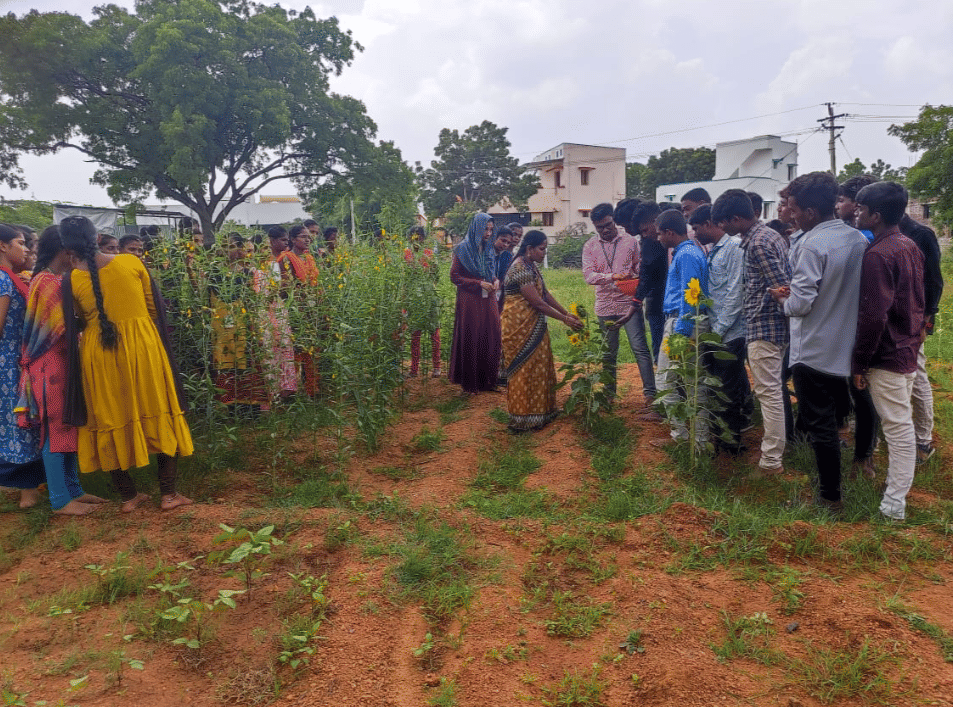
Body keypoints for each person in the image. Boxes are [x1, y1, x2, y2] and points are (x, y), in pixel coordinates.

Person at [60, 216, 194, 513]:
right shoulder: (132, 263)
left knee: (109, 416)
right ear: (97, 238)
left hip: (99, 354)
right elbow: (152, 307)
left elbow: (78, 322)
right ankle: (169, 495)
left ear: (67, 247)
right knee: (158, 408)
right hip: (143, 346)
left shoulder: (70, 279)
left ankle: (129, 497)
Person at [770, 172, 868, 513]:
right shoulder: (857, 240)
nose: (791, 214)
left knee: (821, 426)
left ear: (810, 211)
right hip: (845, 347)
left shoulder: (811, 244)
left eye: (794, 208)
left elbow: (802, 303)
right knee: (837, 419)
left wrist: (782, 299)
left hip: (811, 349)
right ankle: (837, 483)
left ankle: (830, 497)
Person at [17, 226, 107, 515]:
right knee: (55, 431)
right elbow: (60, 327)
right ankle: (59, 499)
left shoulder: (53, 279)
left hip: (61, 363)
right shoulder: (46, 282)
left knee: (68, 428)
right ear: (65, 250)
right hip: (49, 365)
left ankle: (74, 490)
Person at [852, 182, 925, 522]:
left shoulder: (878, 254)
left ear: (875, 215)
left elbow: (873, 316)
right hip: (906, 348)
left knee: (898, 429)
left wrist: (860, 362)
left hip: (888, 355)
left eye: (860, 208)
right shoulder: (908, 245)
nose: (855, 213)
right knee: (899, 426)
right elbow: (918, 302)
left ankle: (894, 506)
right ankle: (894, 496)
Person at [712, 189, 791, 474]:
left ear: (735, 218)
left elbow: (783, 289)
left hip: (765, 327)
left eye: (723, 224)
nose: (723, 230)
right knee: (771, 393)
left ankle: (771, 461)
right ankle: (774, 455)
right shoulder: (767, 236)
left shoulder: (758, 243)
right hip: (767, 326)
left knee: (768, 395)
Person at [501, 230, 582, 431]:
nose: (544, 253)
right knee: (524, 369)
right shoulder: (519, 268)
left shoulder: (531, 267)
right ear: (529, 249)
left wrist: (566, 313)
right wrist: (564, 319)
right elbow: (537, 302)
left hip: (533, 325)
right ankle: (523, 418)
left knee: (540, 364)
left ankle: (543, 411)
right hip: (518, 328)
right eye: (542, 249)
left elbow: (544, 294)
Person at [689, 205, 750, 454]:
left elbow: (736, 292)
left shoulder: (734, 249)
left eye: (696, 228)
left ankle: (731, 444)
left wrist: (720, 330)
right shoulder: (716, 250)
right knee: (718, 388)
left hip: (730, 333)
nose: (694, 234)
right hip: (718, 331)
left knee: (727, 390)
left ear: (708, 224)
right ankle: (722, 439)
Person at [582, 202, 655, 405]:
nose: (605, 230)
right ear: (595, 227)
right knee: (608, 353)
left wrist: (631, 276)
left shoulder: (631, 241)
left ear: (613, 220)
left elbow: (640, 268)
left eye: (608, 225)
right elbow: (588, 275)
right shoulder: (590, 246)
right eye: (600, 227)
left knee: (639, 348)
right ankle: (608, 394)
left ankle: (650, 395)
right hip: (604, 305)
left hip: (628, 303)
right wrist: (613, 276)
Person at [648, 210, 708, 445]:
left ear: (670, 232)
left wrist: (681, 333)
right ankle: (698, 440)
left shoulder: (686, 256)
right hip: (684, 322)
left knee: (667, 381)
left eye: (660, 234)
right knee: (693, 384)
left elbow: (691, 295)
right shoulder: (689, 252)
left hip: (682, 324)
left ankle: (683, 437)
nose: (659, 239)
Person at [0, 224, 44, 508]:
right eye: (19, 243)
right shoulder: (3, 281)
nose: (26, 248)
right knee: (19, 423)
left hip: (15, 360)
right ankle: (27, 491)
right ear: (3, 246)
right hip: (9, 365)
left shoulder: (10, 278)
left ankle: (27, 488)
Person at [899, 211, 944, 464]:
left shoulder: (920, 234)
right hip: (897, 319)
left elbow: (934, 282)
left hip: (916, 318)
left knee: (917, 374)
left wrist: (926, 321)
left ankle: (923, 440)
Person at [209, 234, 269, 414]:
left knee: (247, 363)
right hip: (221, 331)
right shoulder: (213, 275)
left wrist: (257, 330)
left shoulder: (247, 274)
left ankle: (249, 407)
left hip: (244, 328)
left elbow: (253, 304)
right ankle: (227, 407)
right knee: (224, 364)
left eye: (233, 246)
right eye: (225, 247)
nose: (229, 251)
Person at [449, 212, 501, 395]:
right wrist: (478, 283)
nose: (488, 233)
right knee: (472, 336)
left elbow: (491, 271)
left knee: (491, 333)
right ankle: (470, 385)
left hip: (488, 299)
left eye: (490, 230)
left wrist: (495, 280)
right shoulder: (463, 249)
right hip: (470, 300)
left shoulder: (488, 249)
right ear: (476, 228)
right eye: (485, 229)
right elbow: (454, 276)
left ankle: (488, 381)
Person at [404, 226, 442, 378]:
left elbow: (436, 276)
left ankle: (437, 367)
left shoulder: (430, 255)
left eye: (419, 236)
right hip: (414, 298)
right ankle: (414, 369)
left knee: (434, 332)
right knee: (415, 333)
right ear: (409, 239)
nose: (416, 239)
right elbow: (405, 278)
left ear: (423, 239)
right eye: (413, 236)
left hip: (429, 297)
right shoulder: (406, 255)